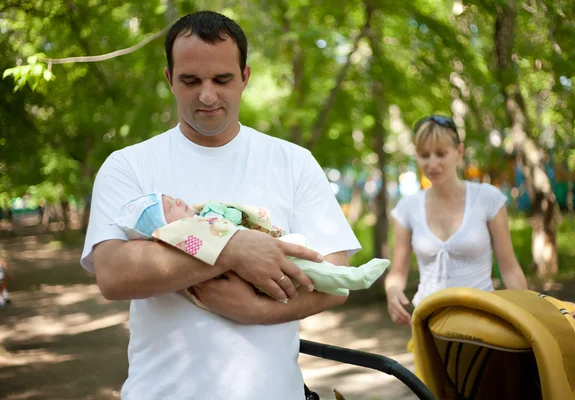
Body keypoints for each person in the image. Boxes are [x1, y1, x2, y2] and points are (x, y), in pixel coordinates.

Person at [81, 11, 361, 400]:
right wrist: (231, 249)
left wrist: (258, 311)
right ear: (169, 80)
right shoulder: (129, 165)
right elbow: (112, 274)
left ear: (245, 77)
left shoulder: (293, 162)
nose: (207, 95)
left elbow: (338, 280)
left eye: (222, 79)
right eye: (191, 81)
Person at [112, 193, 389, 305]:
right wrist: (235, 248)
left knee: (309, 266)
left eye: (171, 197)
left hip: (270, 255)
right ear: (160, 227)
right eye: (168, 206)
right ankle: (355, 278)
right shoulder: (179, 237)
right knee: (307, 270)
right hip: (254, 276)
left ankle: (342, 280)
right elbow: (207, 248)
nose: (177, 201)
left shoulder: (195, 219)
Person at [385, 115, 527, 326]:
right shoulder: (407, 208)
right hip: (429, 325)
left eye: (441, 154)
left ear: (459, 152)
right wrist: (393, 292)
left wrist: (529, 317)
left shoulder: (487, 199)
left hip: (483, 323)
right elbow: (397, 273)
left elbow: (510, 270)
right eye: (425, 155)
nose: (432, 163)